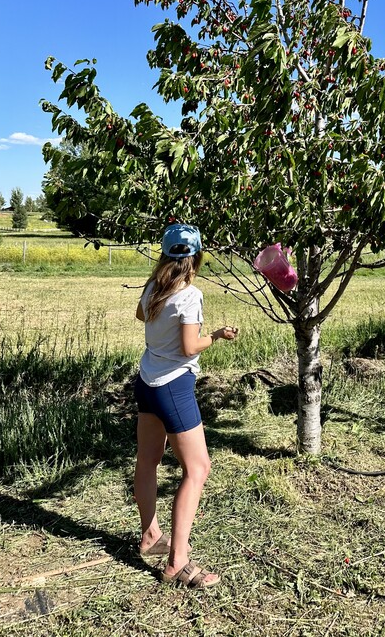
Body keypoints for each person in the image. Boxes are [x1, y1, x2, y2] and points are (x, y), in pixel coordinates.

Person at [133, 223, 238, 589]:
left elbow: (140, 315)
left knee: (147, 462)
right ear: (195, 257)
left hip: (146, 381)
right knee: (198, 469)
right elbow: (191, 348)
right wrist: (218, 336)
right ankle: (177, 563)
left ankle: (150, 537)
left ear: (165, 255)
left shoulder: (153, 288)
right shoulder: (189, 295)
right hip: (174, 387)